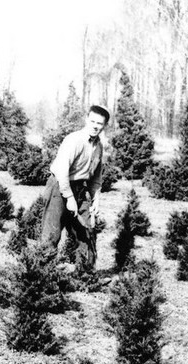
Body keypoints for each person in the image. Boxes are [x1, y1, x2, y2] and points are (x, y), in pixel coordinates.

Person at [40, 105, 110, 270]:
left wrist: (96, 200)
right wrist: (69, 198)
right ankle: (43, 274)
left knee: (87, 230)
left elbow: (96, 177)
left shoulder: (98, 146)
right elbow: (61, 171)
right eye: (92, 121)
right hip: (59, 186)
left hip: (80, 188)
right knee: (52, 233)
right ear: (86, 119)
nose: (95, 126)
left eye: (99, 123)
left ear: (104, 126)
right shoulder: (74, 140)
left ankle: (85, 273)